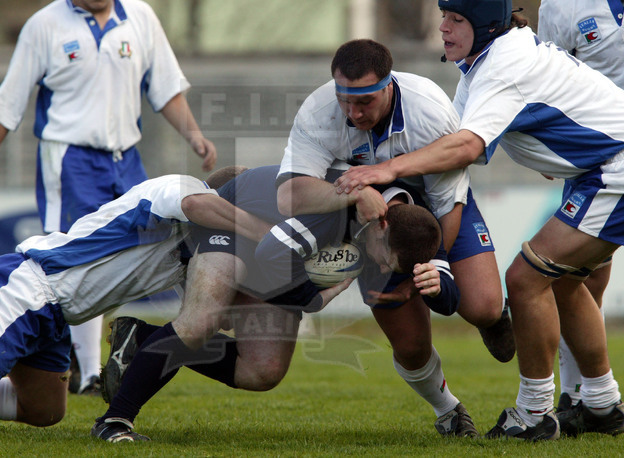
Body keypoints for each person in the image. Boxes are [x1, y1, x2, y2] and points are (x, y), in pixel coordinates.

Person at [335, 0, 624, 440]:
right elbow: (461, 143)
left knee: (526, 279)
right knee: (563, 282)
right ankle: (602, 404)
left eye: (456, 19)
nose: (443, 27)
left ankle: (534, 413)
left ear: (487, 23)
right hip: (616, 164)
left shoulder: (502, 64)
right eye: (444, 17)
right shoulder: (488, 60)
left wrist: (386, 171)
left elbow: (467, 147)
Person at [93, 165, 477, 442]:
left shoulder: (417, 225)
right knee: (201, 323)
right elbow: (271, 256)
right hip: (231, 221)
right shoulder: (332, 214)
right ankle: (115, 421)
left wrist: (436, 287)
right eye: (384, 258)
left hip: (274, 248)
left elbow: (449, 300)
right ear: (381, 225)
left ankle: (143, 338)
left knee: (263, 371)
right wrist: (315, 298)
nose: (380, 267)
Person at [0, 0, 217, 396]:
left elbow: (164, 88)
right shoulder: (44, 24)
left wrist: (194, 135)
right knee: (72, 260)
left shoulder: (140, 16)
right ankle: (89, 372)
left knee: (142, 252)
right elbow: (9, 102)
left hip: (126, 157)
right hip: (69, 157)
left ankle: (99, 354)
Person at [0, 169, 265, 429]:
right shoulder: (185, 188)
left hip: (56, 315)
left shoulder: (195, 250)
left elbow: (216, 317)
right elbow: (198, 205)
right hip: (28, 288)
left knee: (44, 412)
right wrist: (264, 233)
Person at [275, 39, 513, 364]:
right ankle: (447, 409)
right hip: (375, 219)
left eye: (365, 102)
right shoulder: (317, 114)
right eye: (344, 100)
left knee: (481, 307)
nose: (354, 113)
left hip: (433, 204)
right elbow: (289, 195)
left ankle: (497, 316)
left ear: (388, 86)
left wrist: (421, 272)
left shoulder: (429, 110)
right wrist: (357, 192)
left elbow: (447, 205)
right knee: (411, 345)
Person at [537, 0, 624, 416]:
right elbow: (547, 78)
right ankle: (577, 396)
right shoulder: (559, 5)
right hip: (605, 155)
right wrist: (548, 147)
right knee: (575, 279)